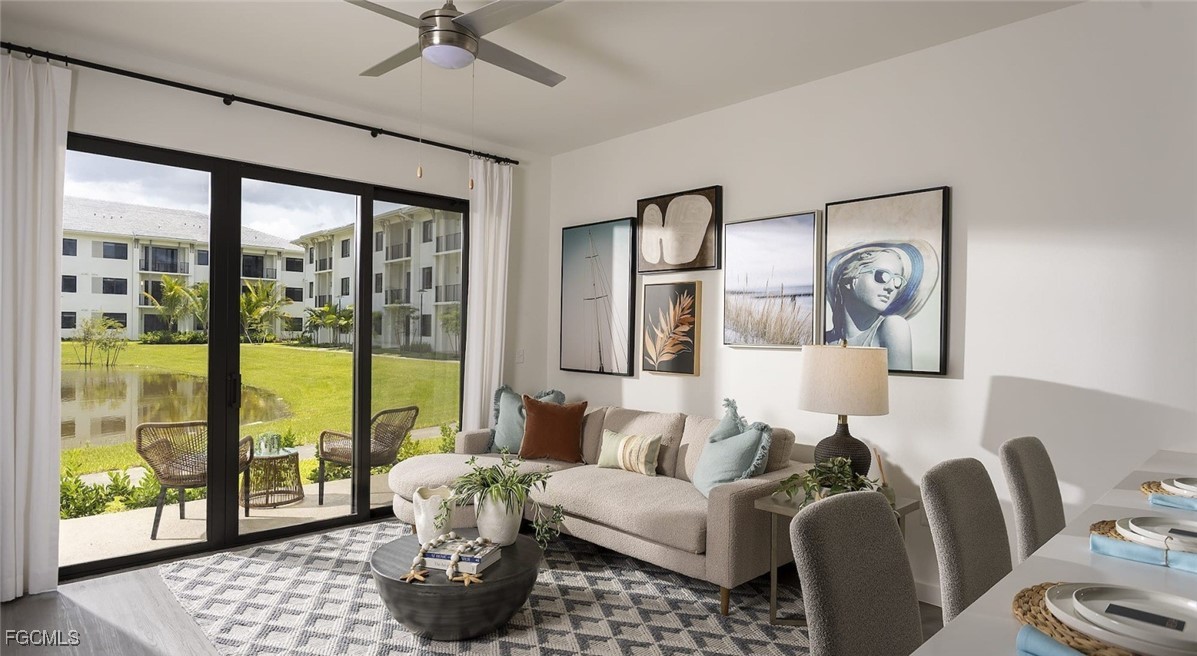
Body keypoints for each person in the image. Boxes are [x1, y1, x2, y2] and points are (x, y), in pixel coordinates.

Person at [825, 240, 938, 371]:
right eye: (882, 276)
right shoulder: (826, 339)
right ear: (850, 278)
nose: (891, 288)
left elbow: (901, 386)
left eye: (897, 281)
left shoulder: (893, 327)